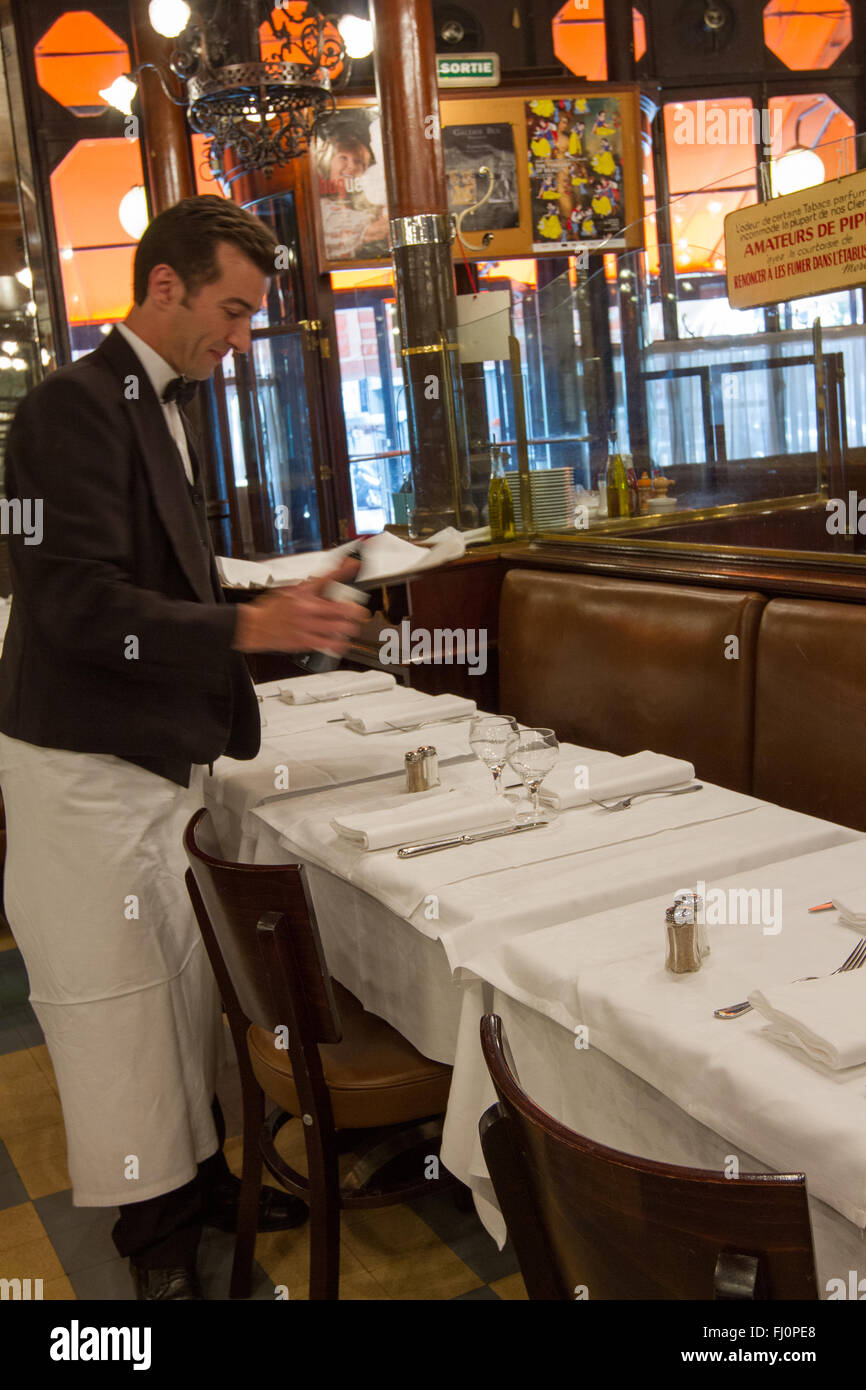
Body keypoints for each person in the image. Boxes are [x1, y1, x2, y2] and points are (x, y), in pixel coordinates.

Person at [0, 195, 367, 1300]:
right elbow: (71, 605)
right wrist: (247, 626)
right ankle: (155, 1255)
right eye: (233, 310)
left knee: (177, 988)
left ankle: (204, 1181)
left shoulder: (148, 399)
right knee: (116, 1007)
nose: (242, 337)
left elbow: (156, 568)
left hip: (149, 758)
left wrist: (257, 587)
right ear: (164, 287)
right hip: (83, 767)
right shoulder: (69, 406)